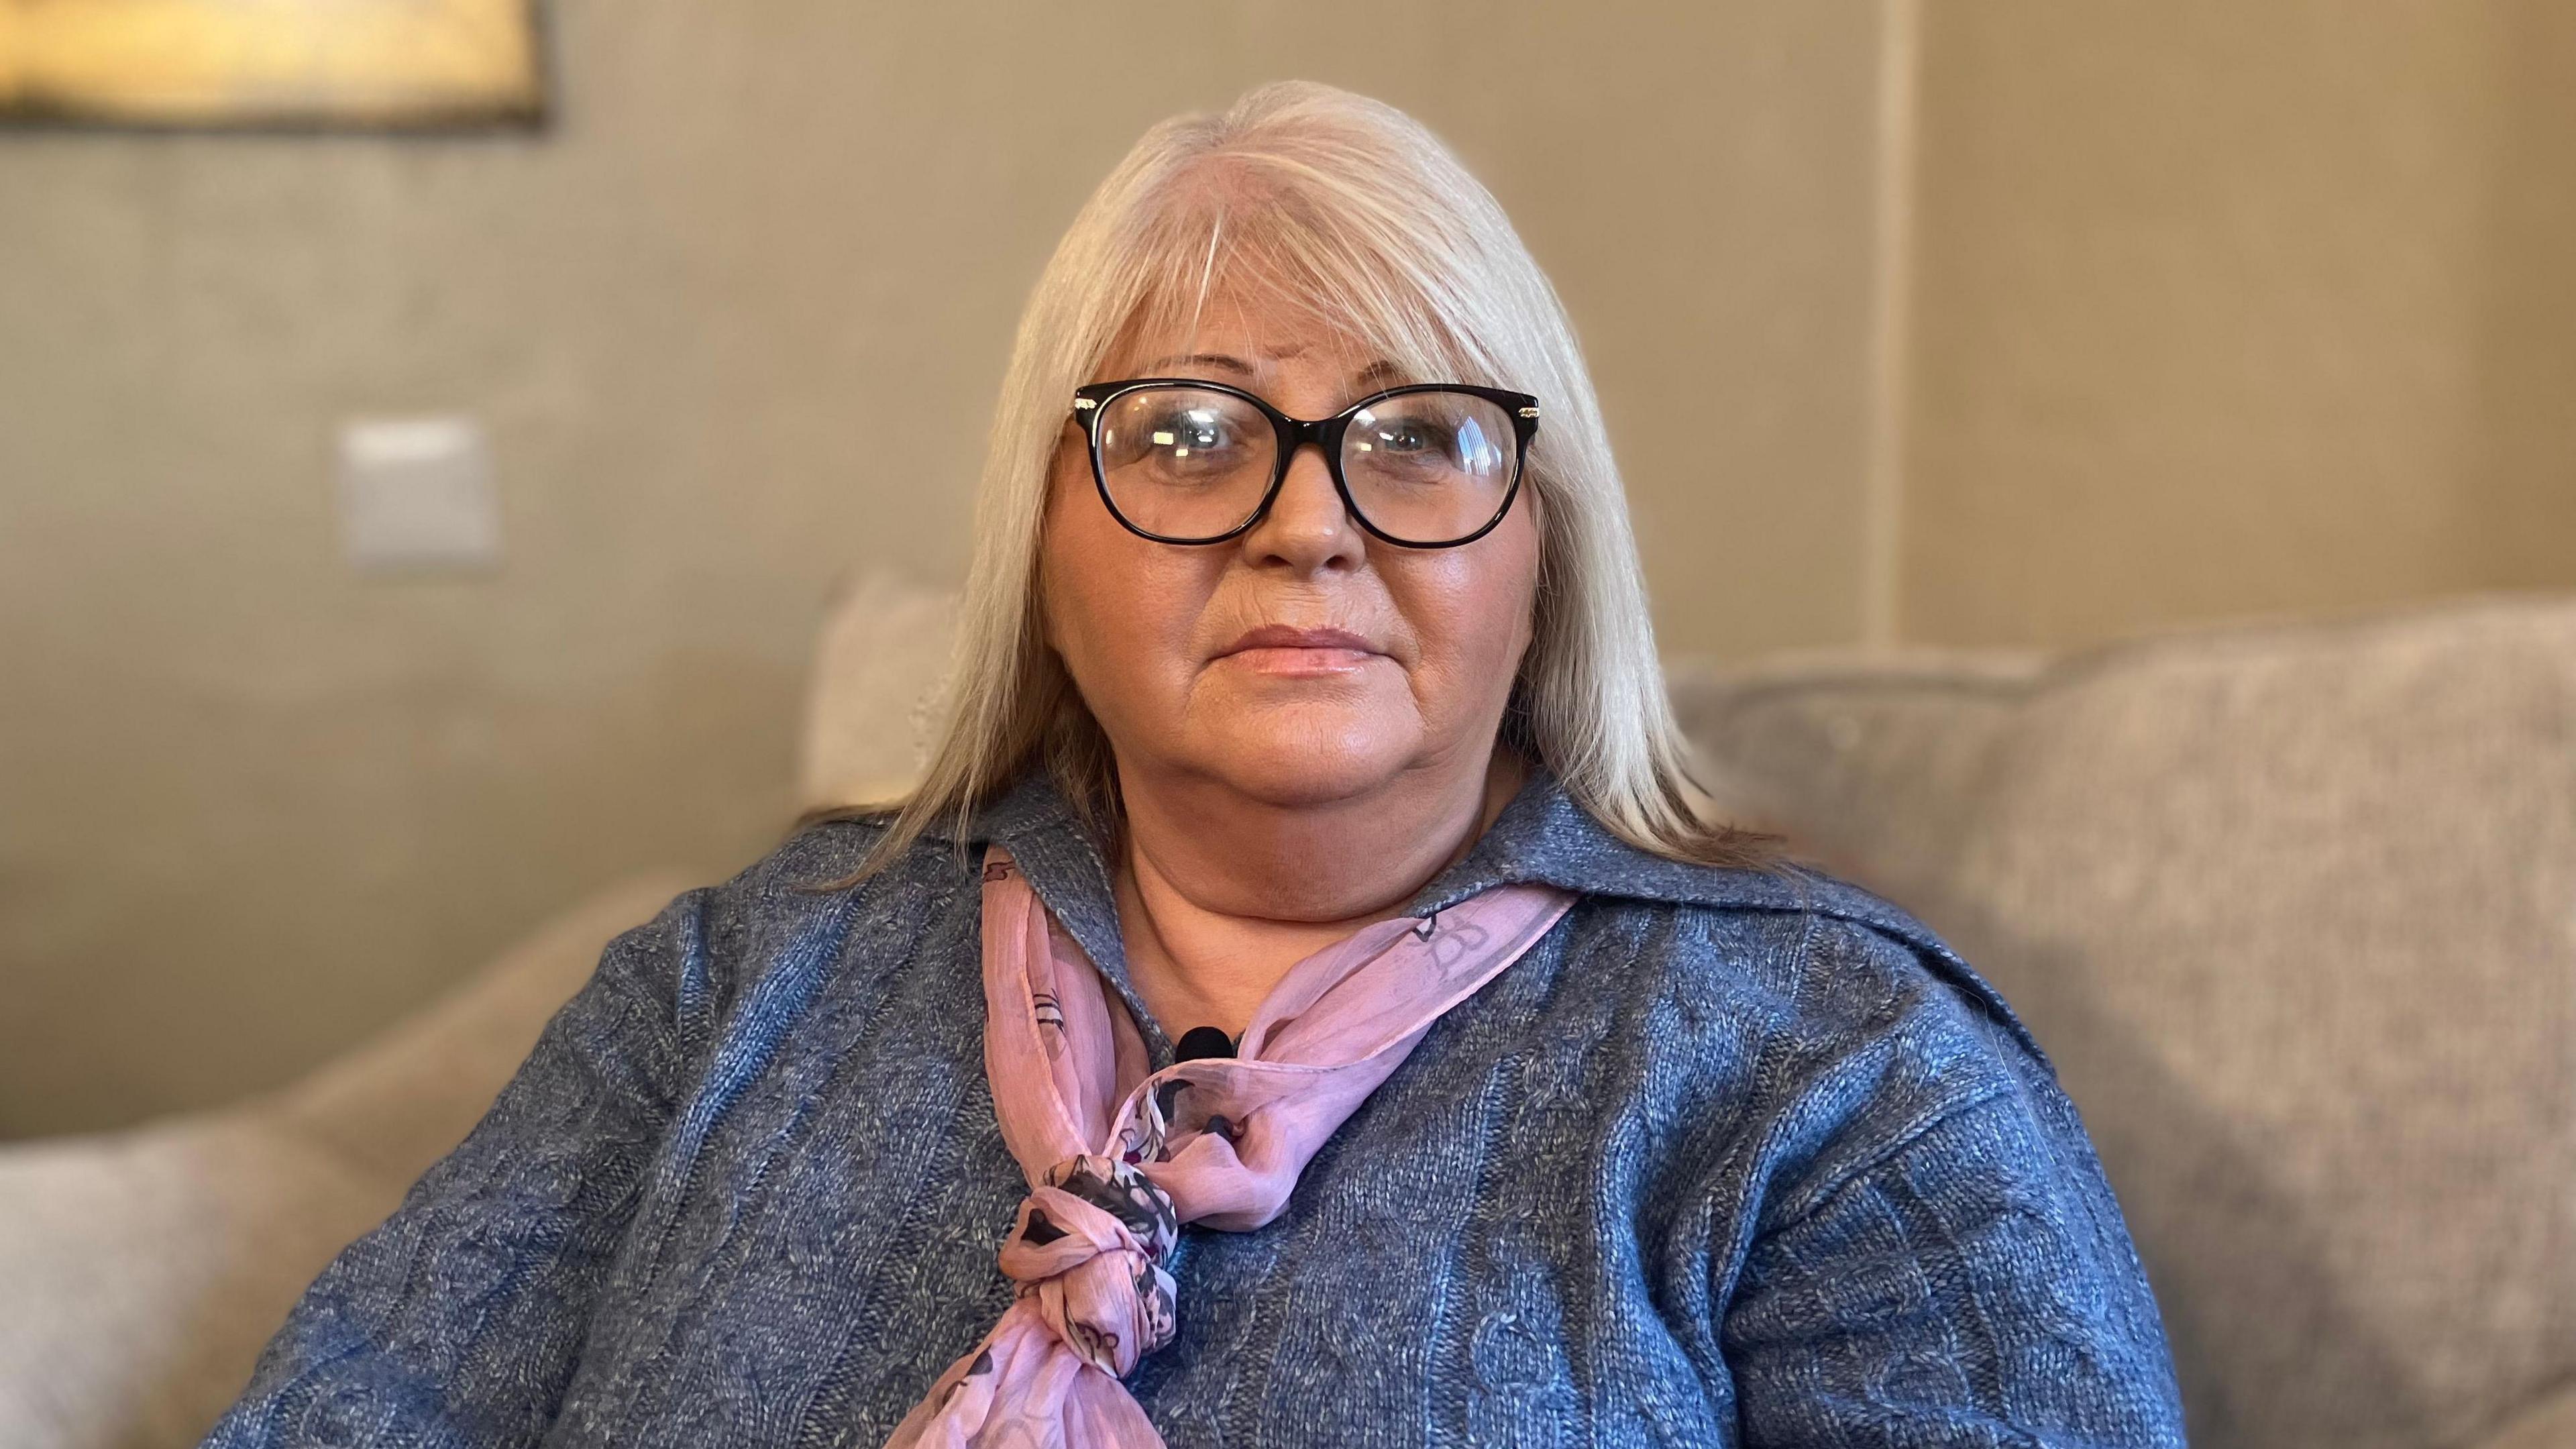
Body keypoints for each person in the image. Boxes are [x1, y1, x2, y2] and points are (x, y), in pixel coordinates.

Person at [205, 80, 2187, 1448]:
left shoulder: (1836, 1075)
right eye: (1181, 433)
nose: (1306, 523)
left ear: (1542, 552)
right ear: (1038, 547)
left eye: (1416, 432)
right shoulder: (738, 979)